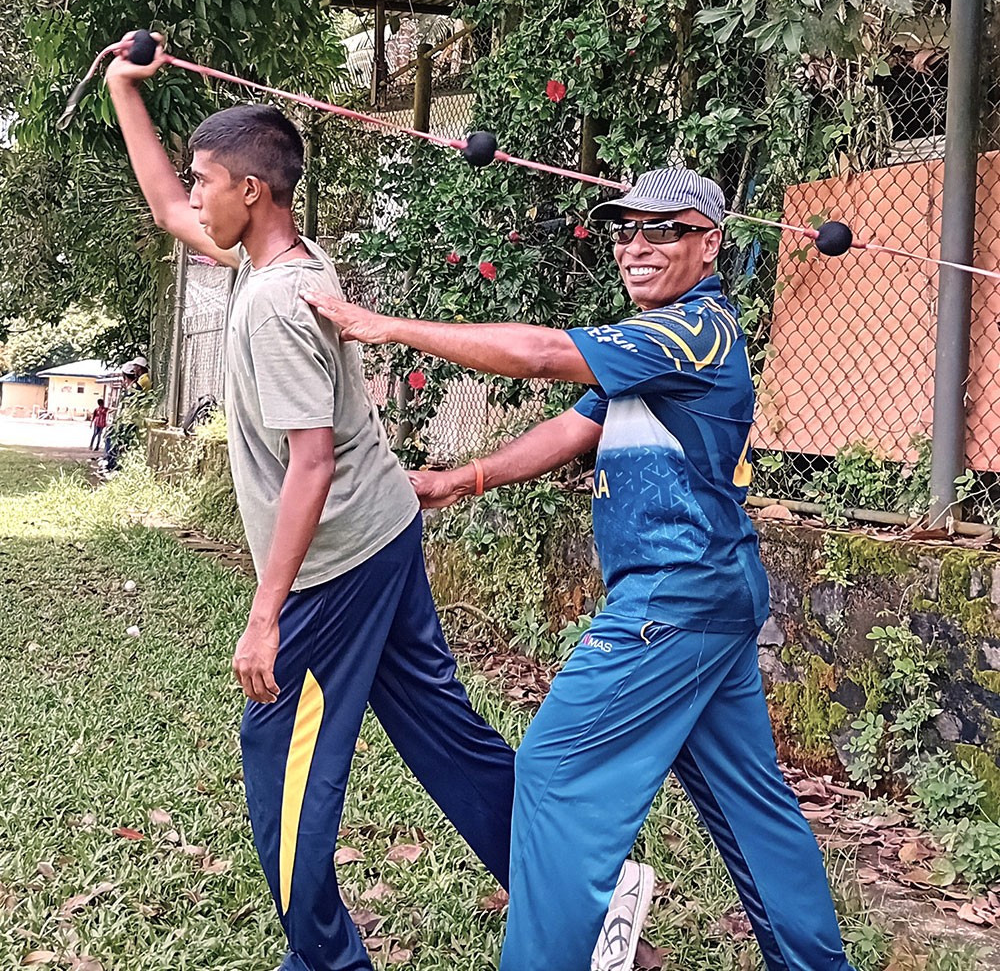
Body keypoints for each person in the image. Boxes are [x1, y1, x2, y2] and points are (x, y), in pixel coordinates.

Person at [102, 32, 645, 971]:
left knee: (281, 754)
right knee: (446, 738)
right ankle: (586, 899)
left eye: (205, 180)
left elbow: (310, 465)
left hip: (339, 560)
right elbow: (164, 207)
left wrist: (266, 614)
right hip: (384, 530)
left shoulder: (276, 304)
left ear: (251, 192)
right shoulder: (280, 262)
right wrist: (125, 89)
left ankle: (326, 960)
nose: (192, 194)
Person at [305, 167, 859, 971]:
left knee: (556, 772)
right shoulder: (657, 343)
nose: (636, 246)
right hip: (709, 593)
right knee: (751, 805)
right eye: (625, 230)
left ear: (709, 244)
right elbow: (575, 426)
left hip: (675, 594)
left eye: (662, 229)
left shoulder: (693, 331)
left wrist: (385, 325)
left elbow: (540, 356)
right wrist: (464, 479)